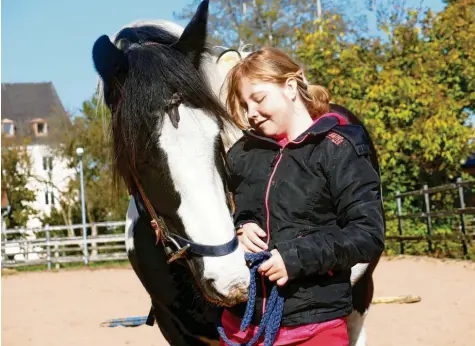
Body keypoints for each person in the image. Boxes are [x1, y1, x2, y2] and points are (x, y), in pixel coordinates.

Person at [220, 47, 385, 345]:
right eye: (245, 105)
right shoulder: (243, 154)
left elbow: (368, 233)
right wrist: (240, 227)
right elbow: (230, 208)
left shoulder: (339, 149)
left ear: (291, 87)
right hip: (242, 326)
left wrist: (295, 258)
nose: (251, 113)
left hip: (312, 329)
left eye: (258, 98)